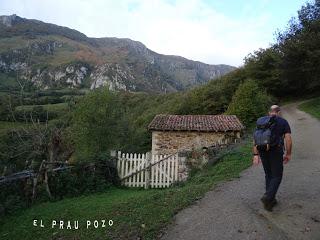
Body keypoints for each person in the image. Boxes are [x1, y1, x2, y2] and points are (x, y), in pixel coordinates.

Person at [252, 105, 292, 211]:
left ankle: (270, 201)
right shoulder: (283, 122)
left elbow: (255, 139)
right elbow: (288, 139)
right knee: (277, 175)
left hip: (262, 150)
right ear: (278, 112)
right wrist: (288, 153)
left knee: (268, 174)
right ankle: (268, 197)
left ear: (269, 112)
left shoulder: (261, 122)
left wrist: (255, 155)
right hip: (275, 151)